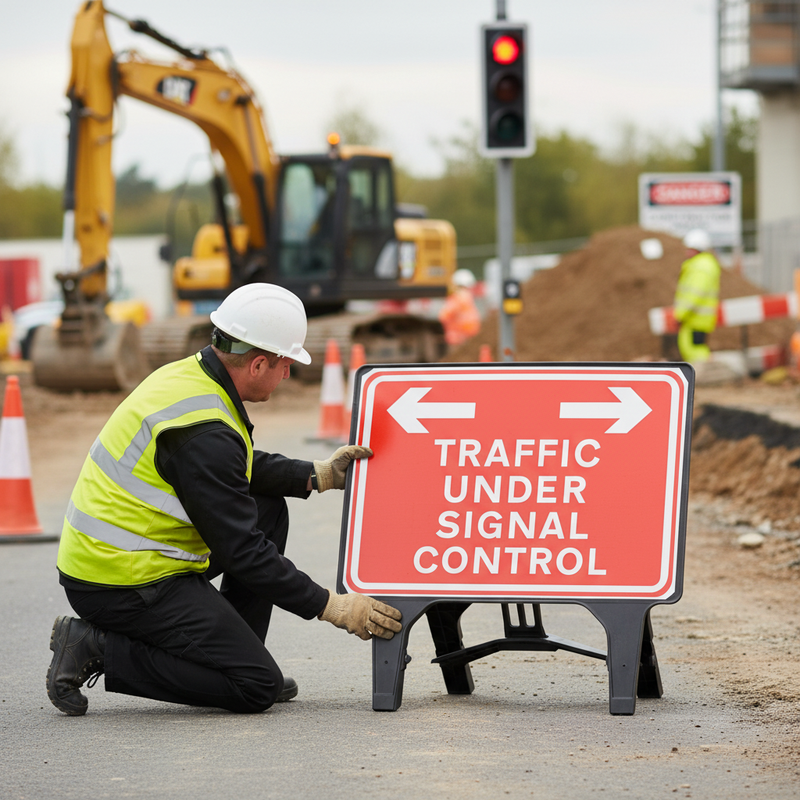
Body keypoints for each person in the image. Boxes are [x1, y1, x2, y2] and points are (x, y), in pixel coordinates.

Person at [46, 283, 402, 716]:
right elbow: (244, 553)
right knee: (255, 686)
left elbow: (237, 467)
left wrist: (317, 474)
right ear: (257, 364)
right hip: (121, 581)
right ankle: (96, 645)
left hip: (129, 557)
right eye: (285, 363)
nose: (287, 374)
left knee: (268, 508)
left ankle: (234, 657)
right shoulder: (204, 433)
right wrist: (335, 607)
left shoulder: (190, 376)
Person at [673, 229, 722, 363]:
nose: (686, 252)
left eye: (689, 248)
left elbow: (694, 295)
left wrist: (680, 315)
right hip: (697, 318)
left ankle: (705, 376)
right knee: (693, 349)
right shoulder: (703, 264)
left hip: (696, 318)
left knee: (694, 351)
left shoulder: (701, 267)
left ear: (696, 249)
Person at [438, 268, 481, 348]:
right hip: (462, 338)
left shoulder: (458, 297)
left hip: (461, 338)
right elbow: (445, 315)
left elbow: (444, 315)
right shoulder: (463, 297)